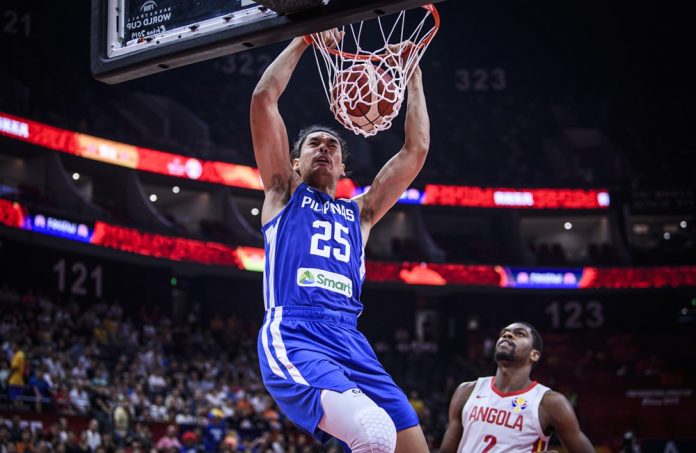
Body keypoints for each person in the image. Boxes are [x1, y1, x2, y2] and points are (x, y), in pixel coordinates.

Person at [250, 29, 430, 453]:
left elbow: (416, 150)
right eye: (314, 143)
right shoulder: (282, 192)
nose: (325, 148)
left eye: (333, 144)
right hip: (296, 332)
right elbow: (263, 100)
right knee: (373, 432)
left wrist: (413, 72)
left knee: (411, 446)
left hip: (351, 338)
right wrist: (304, 40)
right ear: (294, 161)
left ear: (344, 166)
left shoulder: (360, 213)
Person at [440, 322, 594, 453]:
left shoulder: (549, 402)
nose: (507, 336)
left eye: (519, 334)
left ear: (534, 355)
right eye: (504, 334)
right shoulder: (467, 391)